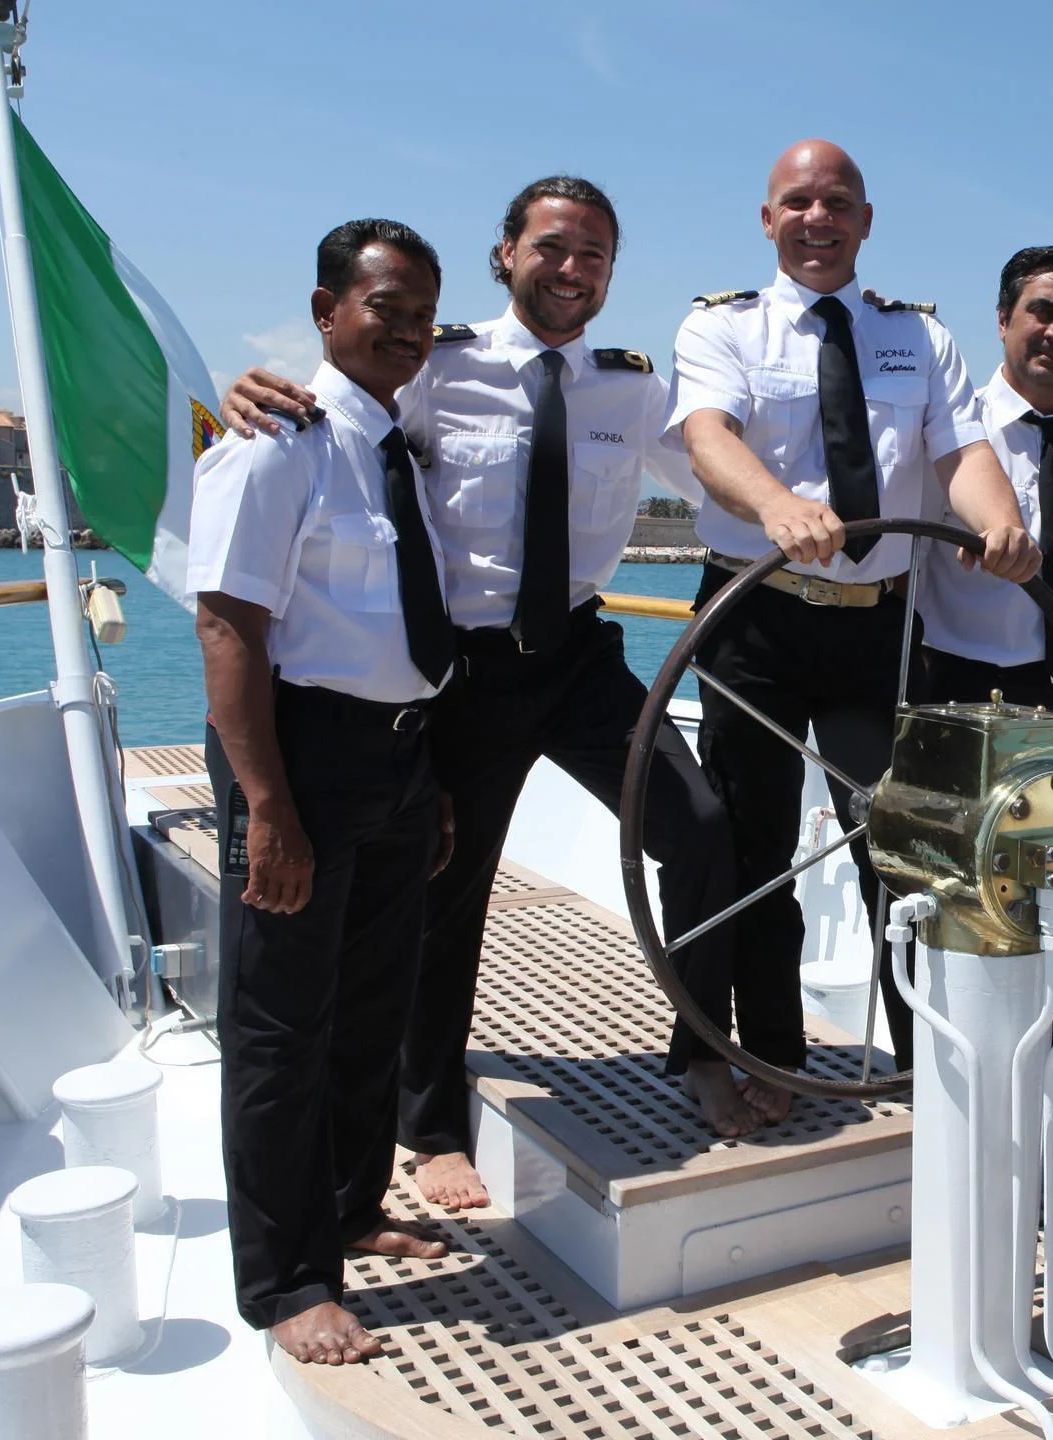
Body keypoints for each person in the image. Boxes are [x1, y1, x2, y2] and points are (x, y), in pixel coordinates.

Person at [223, 179, 752, 1183]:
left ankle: (700, 1050)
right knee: (445, 887)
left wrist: (826, 520)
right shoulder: (437, 362)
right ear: (504, 255)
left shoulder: (630, 386)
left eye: (594, 254)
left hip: (581, 657)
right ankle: (428, 1124)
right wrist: (255, 389)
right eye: (552, 247)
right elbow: (337, 411)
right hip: (462, 667)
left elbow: (721, 474)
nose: (572, 268)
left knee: (698, 825)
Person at [666, 138, 1040, 1089]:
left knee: (901, 851)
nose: (817, 219)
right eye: (797, 202)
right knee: (752, 844)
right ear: (767, 219)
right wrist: (776, 506)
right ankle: (767, 1062)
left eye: (837, 202)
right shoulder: (723, 330)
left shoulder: (920, 339)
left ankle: (926, 1077)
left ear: (866, 222)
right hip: (753, 616)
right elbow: (709, 437)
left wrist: (1001, 524)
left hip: (876, 624)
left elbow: (962, 455)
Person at [189, 219, 456, 1365]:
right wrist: (267, 808)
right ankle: (288, 1283)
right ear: (325, 310)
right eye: (383, 306)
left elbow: (402, 626)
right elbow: (227, 625)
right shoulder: (272, 445)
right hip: (301, 756)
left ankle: (349, 1210)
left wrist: (426, 777)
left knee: (368, 1012)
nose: (404, 330)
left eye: (419, 314)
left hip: (398, 757)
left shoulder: (400, 444)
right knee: (280, 1033)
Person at [913, 243, 1053, 1138]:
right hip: (970, 691)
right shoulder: (950, 436)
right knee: (960, 906)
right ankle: (948, 1100)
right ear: (1005, 318)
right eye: (1042, 312)